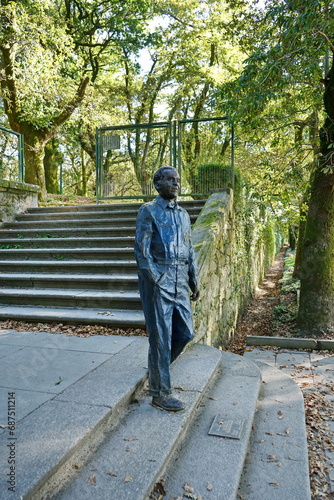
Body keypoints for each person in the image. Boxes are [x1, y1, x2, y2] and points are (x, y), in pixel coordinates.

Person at [134, 166, 200, 412]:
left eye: (178, 180)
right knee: (161, 337)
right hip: (159, 279)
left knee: (186, 333)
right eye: (170, 179)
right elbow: (142, 249)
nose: (175, 183)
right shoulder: (148, 211)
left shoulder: (183, 214)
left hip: (180, 278)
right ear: (157, 184)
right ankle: (160, 392)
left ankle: (158, 368)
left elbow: (189, 247)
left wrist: (194, 278)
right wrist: (155, 278)